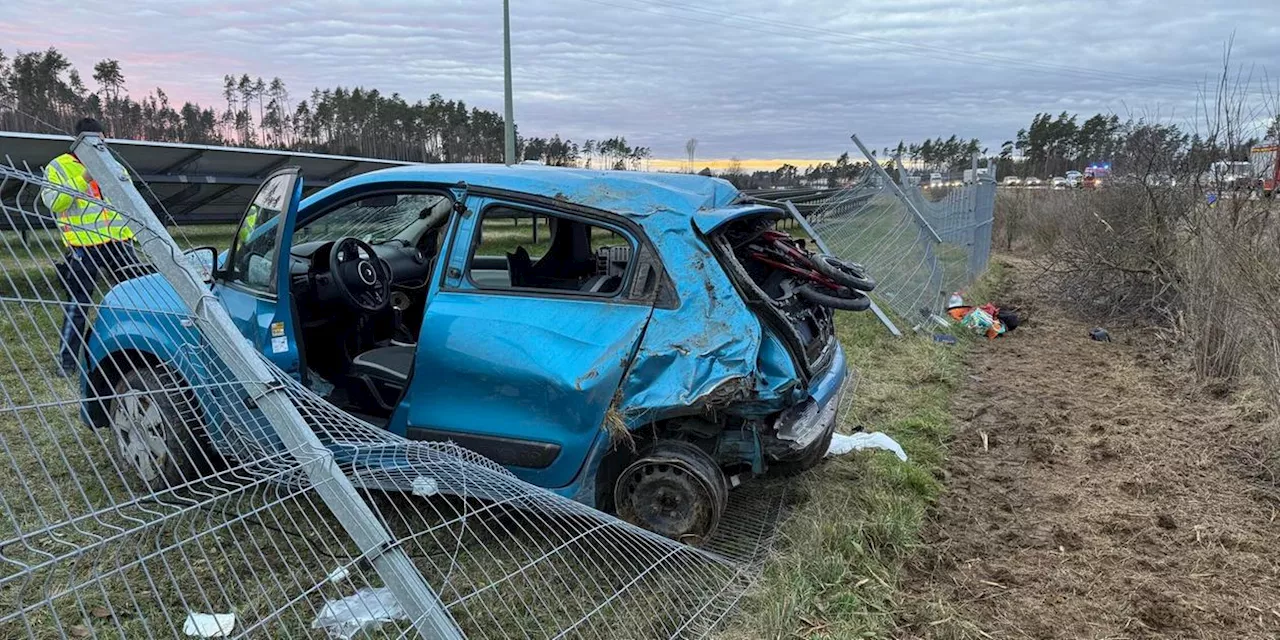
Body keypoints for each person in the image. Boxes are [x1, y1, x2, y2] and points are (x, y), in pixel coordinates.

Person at [41, 117, 137, 377]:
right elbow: (53, 202)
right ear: (78, 142)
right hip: (83, 246)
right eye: (93, 141)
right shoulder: (58, 167)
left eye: (101, 141)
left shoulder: (112, 163)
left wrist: (133, 235)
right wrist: (83, 178)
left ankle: (133, 349)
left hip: (118, 243)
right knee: (79, 304)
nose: (98, 146)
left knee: (136, 297)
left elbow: (128, 199)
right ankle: (67, 361)